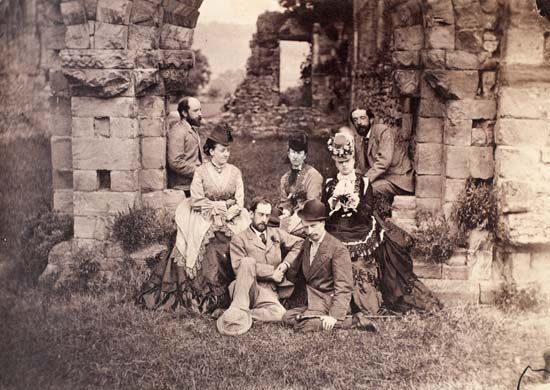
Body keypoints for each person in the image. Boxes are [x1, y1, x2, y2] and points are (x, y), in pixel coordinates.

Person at [322, 131, 442, 314]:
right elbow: (324, 215)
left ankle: (366, 298)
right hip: (336, 229)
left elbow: (366, 213)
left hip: (359, 228)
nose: (344, 166)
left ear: (353, 159)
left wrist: (356, 204)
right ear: (335, 162)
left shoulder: (363, 183)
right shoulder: (330, 184)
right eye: (340, 162)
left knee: (378, 254)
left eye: (347, 161)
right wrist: (333, 203)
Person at [137, 123, 251, 315]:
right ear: (212, 151)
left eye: (228, 151)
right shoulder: (201, 171)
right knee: (207, 243)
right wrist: (218, 207)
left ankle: (240, 291)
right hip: (204, 215)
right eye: (222, 151)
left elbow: (239, 201)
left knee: (239, 241)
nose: (226, 155)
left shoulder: (235, 172)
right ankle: (204, 294)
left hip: (231, 217)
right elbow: (197, 200)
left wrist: (230, 211)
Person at [282, 200, 377, 332]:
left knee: (302, 326)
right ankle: (320, 318)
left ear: (323, 223)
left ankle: (354, 321)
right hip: (314, 301)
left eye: (313, 226)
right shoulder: (307, 243)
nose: (309, 231)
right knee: (287, 317)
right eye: (305, 227)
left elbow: (344, 286)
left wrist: (334, 316)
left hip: (330, 302)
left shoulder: (338, 249)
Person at [216, 197, 304, 336]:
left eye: (267, 215)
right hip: (245, 287)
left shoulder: (275, 233)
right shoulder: (239, 238)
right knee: (247, 262)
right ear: (251, 214)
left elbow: (299, 243)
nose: (264, 219)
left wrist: (285, 265)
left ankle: (238, 315)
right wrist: (272, 272)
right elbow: (239, 268)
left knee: (279, 314)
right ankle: (239, 309)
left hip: (267, 291)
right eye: (260, 214)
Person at [350, 108, 414, 200]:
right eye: (355, 120)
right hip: (384, 177)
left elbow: (383, 162)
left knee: (364, 190)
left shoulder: (383, 132)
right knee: (351, 188)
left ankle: (372, 214)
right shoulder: (362, 139)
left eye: (362, 118)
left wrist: (363, 181)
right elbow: (361, 167)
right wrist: (351, 179)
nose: (359, 122)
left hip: (398, 180)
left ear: (371, 120)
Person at [278, 133, 323, 235]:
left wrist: (294, 216)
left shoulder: (313, 175)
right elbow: (285, 202)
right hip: (292, 215)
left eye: (299, 153)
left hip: (308, 216)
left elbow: (313, 204)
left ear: (305, 155)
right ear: (288, 154)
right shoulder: (285, 178)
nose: (295, 157)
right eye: (293, 152)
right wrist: (286, 211)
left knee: (282, 230)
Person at [167, 97, 204, 197]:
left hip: (194, 185)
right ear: (184, 113)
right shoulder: (178, 132)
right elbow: (175, 162)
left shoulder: (191, 128)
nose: (200, 114)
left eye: (200, 110)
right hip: (183, 188)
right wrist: (200, 172)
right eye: (196, 111)